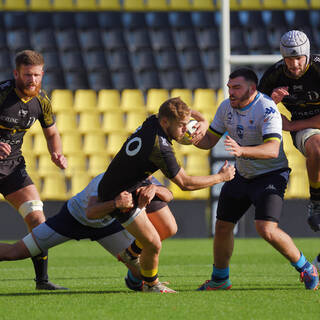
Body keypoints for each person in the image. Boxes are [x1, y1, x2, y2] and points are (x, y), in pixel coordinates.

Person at [194, 68, 318, 291]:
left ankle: (306, 267)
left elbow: (272, 150)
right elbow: (209, 140)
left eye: (236, 88)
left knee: (265, 228)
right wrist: (191, 138)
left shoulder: (266, 107)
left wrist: (241, 151)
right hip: (243, 174)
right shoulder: (225, 108)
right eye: (229, 87)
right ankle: (220, 279)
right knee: (222, 226)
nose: (230, 92)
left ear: (252, 89)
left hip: (271, 174)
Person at [97, 97, 236, 293]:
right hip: (119, 193)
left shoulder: (154, 120)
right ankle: (152, 284)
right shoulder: (160, 147)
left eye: (187, 124)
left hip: (138, 183)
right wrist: (221, 177)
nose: (185, 130)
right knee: (153, 243)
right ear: (165, 122)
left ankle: (131, 253)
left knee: (168, 228)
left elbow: (183, 111)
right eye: (181, 126)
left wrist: (202, 120)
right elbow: (185, 184)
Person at [0, 174, 176, 292]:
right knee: (16, 252)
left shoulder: (144, 174)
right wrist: (115, 204)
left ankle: (133, 279)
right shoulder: (108, 179)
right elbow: (91, 212)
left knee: (142, 272)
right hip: (72, 220)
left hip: (106, 227)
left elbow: (169, 194)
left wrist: (156, 189)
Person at [0, 50, 67, 290]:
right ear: (16, 73)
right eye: (28, 75)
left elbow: (52, 132)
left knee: (38, 219)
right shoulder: (2, 94)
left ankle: (42, 281)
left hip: (13, 168)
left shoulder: (42, 100)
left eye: (37, 75)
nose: (33, 80)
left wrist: (56, 153)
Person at [258, 30, 320, 271]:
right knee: (316, 149)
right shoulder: (273, 75)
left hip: (300, 124)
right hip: (309, 131)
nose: (294, 64)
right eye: (289, 59)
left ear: (307, 55)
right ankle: (316, 199)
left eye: (298, 58)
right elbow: (254, 113)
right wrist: (271, 103)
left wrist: (292, 124)